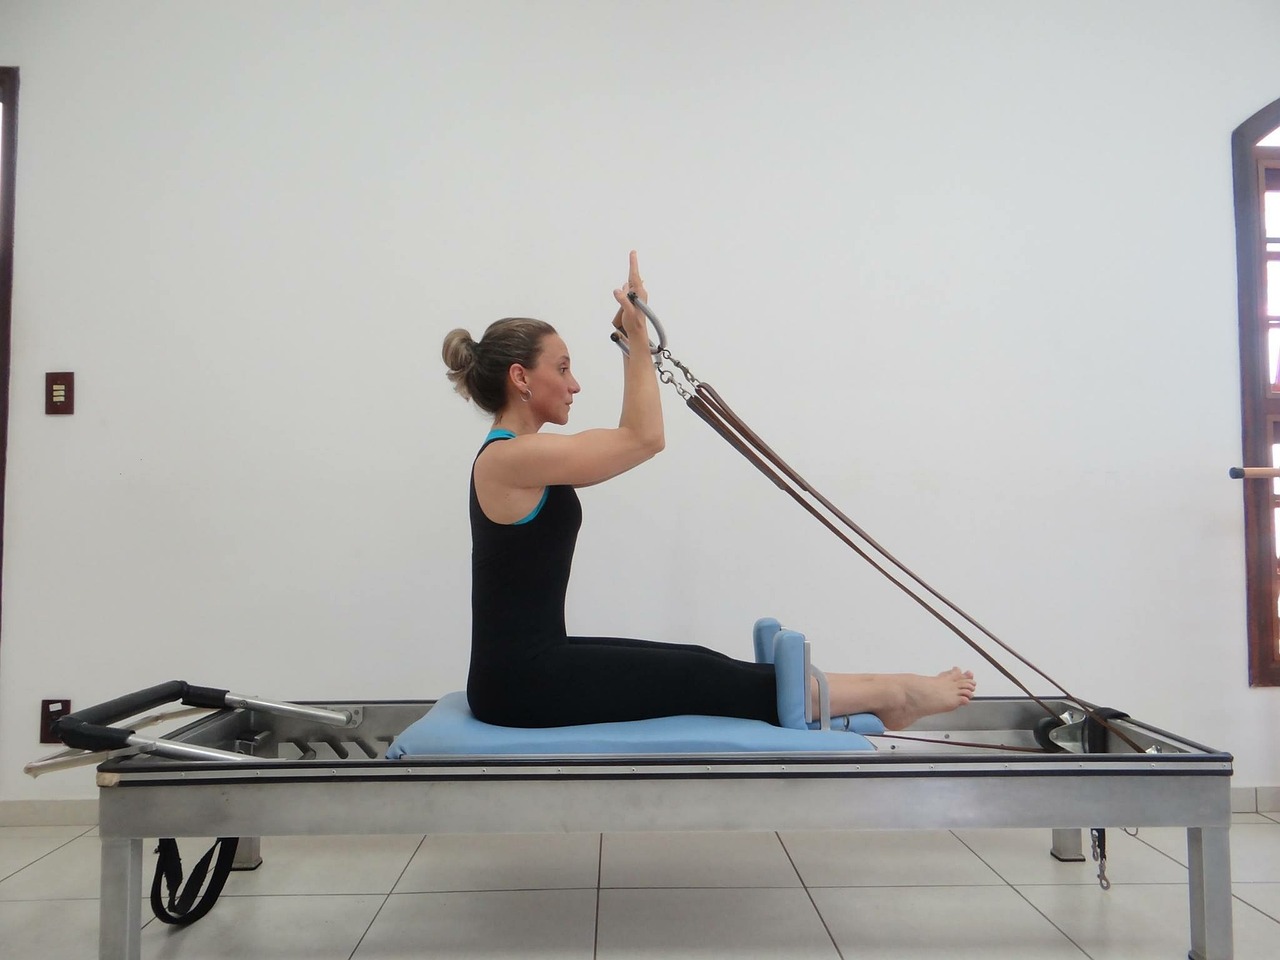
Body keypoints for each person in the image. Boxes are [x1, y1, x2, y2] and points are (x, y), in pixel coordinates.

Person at [441, 251, 976, 730]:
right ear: (521, 377)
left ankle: (869, 690)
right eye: (562, 368)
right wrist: (635, 340)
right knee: (696, 674)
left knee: (697, 664)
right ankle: (895, 692)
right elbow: (644, 438)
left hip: (531, 667)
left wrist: (635, 340)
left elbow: (634, 437)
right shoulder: (510, 458)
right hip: (520, 684)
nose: (575, 383)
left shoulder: (519, 456)